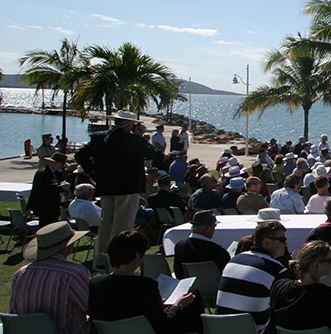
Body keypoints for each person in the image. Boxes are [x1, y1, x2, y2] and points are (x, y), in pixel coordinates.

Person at [89, 230, 203, 334]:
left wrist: (157, 307)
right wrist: (178, 305)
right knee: (192, 296)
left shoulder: (96, 284)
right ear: (137, 257)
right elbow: (164, 325)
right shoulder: (145, 286)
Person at [74, 110, 158, 257]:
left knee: (106, 222)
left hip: (106, 185)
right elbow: (151, 152)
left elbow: (80, 155)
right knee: (123, 224)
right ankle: (119, 257)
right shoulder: (132, 140)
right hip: (127, 186)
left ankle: (102, 256)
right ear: (129, 124)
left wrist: (93, 173)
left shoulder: (99, 138)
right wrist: (140, 136)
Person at [10, 221, 92, 334]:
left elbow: (14, 310)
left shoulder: (21, 273)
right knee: (104, 323)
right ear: (68, 246)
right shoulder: (73, 273)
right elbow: (93, 307)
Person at [216, 218, 290, 334]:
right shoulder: (277, 269)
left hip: (220, 333)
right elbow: (284, 309)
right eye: (282, 240)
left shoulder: (235, 260)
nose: (285, 244)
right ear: (266, 242)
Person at [173, 210, 231, 279]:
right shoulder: (216, 250)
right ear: (209, 228)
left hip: (188, 287)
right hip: (214, 287)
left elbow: (178, 272)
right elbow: (227, 273)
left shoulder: (179, 246)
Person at [28, 153, 70, 225]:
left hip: (50, 206)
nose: (62, 167)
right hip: (46, 206)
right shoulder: (45, 173)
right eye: (62, 165)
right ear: (56, 163)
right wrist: (61, 188)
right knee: (47, 226)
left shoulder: (51, 172)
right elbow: (45, 191)